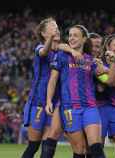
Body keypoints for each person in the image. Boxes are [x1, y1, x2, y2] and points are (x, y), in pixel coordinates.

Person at [46, 25, 113, 158]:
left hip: (90, 107)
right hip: (70, 108)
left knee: (95, 146)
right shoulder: (61, 56)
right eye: (70, 35)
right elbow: (53, 80)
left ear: (84, 39)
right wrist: (48, 100)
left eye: (75, 35)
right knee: (79, 150)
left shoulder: (90, 60)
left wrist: (110, 66)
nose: (71, 38)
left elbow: (108, 79)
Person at [21, 17, 82, 158]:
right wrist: (51, 39)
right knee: (33, 145)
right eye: (52, 26)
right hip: (38, 102)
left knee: (48, 144)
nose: (57, 28)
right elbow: (44, 51)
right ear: (43, 33)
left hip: (55, 104)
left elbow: (64, 47)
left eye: (57, 26)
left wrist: (71, 50)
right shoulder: (40, 48)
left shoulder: (63, 52)